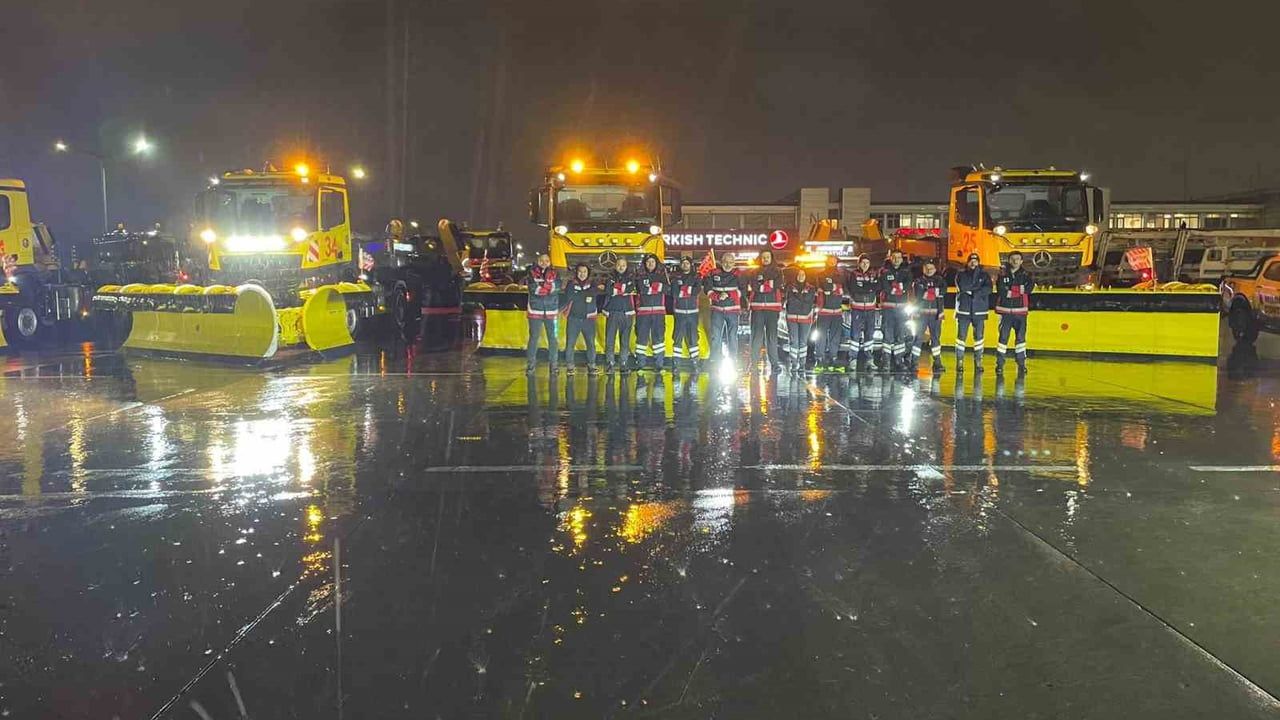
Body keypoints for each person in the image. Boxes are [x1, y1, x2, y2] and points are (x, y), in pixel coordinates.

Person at [995, 251, 1033, 375]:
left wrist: (1010, 291)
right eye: (1013, 259)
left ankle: (1021, 364)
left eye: (1018, 259)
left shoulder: (1026, 275)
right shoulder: (1002, 274)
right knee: (1003, 339)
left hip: (1020, 313)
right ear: (1009, 260)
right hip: (1005, 313)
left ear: (1021, 261)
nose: (1015, 261)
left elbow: (1028, 289)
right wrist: (1017, 290)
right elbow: (1000, 290)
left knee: (1021, 340)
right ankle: (1000, 365)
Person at [746, 248, 784, 373]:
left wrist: (762, 285)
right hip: (757, 308)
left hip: (773, 308)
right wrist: (768, 284)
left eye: (767, 257)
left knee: (772, 337)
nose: (765, 259)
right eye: (763, 257)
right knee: (756, 337)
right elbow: (754, 286)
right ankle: (754, 363)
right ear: (760, 258)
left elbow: (777, 285)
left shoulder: (778, 271)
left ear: (771, 258)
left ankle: (774, 364)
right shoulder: (754, 272)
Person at [524, 253, 563, 374]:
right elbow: (533, 289)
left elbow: (557, 288)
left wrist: (543, 287)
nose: (544, 262)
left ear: (550, 262)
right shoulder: (531, 273)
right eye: (542, 260)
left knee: (553, 339)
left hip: (552, 312)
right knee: (533, 339)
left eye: (547, 260)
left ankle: (554, 366)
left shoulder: (556, 273)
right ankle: (531, 366)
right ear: (538, 261)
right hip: (535, 311)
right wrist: (548, 287)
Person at [954, 252, 992, 373]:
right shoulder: (961, 274)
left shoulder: (985, 275)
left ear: (978, 262)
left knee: (979, 338)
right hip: (964, 310)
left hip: (979, 311)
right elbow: (963, 287)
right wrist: (978, 289)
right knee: (961, 337)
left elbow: (988, 289)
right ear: (967, 261)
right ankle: (959, 362)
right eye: (971, 260)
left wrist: (975, 292)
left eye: (975, 260)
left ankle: (978, 362)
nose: (973, 262)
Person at [562, 262, 602, 374]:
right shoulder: (571, 284)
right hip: (573, 319)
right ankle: (570, 366)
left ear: (588, 273)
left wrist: (580, 294)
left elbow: (594, 293)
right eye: (580, 271)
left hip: (589, 319)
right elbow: (570, 296)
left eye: (584, 272)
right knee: (570, 343)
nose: (582, 274)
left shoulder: (593, 283)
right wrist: (586, 294)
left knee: (590, 343)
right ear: (576, 272)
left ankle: (592, 365)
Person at [704, 252, 742, 369]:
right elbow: (708, 289)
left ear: (734, 263)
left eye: (731, 262)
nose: (728, 264)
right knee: (715, 336)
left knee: (732, 336)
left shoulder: (739, 274)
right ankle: (715, 359)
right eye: (725, 261)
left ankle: (733, 358)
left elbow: (743, 290)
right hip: (717, 310)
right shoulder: (712, 273)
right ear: (721, 261)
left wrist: (729, 295)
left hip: (733, 311)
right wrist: (717, 296)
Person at [911, 258, 947, 373]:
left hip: (936, 315)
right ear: (923, 269)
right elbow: (920, 294)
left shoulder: (940, 280)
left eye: (931, 268)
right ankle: (914, 363)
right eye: (926, 268)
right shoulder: (918, 281)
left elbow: (943, 290)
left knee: (936, 339)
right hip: (921, 315)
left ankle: (937, 362)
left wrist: (929, 292)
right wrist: (934, 292)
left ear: (935, 269)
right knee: (918, 338)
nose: (929, 270)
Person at [602, 257, 637, 373]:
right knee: (610, 340)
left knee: (625, 340)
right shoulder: (610, 277)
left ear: (626, 266)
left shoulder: (631, 277)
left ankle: (623, 363)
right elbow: (608, 290)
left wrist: (616, 289)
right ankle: (609, 363)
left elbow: (631, 288)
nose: (621, 267)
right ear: (615, 266)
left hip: (627, 312)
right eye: (619, 265)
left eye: (623, 265)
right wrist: (623, 289)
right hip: (612, 312)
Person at [844, 254, 879, 372]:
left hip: (870, 309)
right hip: (857, 308)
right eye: (863, 262)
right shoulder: (853, 274)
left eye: (867, 263)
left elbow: (876, 287)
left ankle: (869, 359)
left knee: (870, 334)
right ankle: (853, 359)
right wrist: (868, 288)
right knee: (855, 334)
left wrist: (865, 287)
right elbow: (853, 288)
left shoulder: (874, 274)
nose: (865, 265)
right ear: (859, 263)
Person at [634, 253, 669, 370]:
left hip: (659, 312)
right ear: (644, 263)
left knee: (659, 338)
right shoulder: (640, 276)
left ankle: (659, 364)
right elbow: (642, 289)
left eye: (652, 262)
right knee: (641, 338)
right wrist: (657, 287)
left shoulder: (662, 276)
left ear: (656, 264)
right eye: (648, 262)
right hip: (643, 313)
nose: (650, 264)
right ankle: (640, 363)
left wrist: (651, 287)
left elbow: (668, 289)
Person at [879, 249, 913, 372]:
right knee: (887, 336)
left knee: (900, 336)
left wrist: (895, 287)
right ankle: (886, 361)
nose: (896, 259)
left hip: (902, 309)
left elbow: (908, 285)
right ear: (890, 258)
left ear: (902, 259)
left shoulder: (906, 272)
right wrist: (898, 288)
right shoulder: (884, 271)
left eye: (899, 257)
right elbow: (885, 287)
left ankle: (899, 361)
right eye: (894, 257)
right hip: (888, 308)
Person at [669, 255, 703, 370]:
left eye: (687, 263)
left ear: (690, 265)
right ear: (680, 265)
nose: (685, 265)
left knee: (693, 338)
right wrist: (689, 289)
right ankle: (676, 363)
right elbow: (674, 293)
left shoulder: (696, 278)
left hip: (693, 314)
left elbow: (696, 291)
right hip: (679, 313)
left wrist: (682, 289)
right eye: (683, 263)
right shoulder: (675, 278)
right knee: (677, 338)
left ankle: (695, 362)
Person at [814, 256, 846, 372]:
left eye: (834, 260)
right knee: (821, 336)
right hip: (824, 311)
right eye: (830, 260)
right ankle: (820, 359)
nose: (832, 262)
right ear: (826, 262)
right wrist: (837, 288)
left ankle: (833, 358)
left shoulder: (841, 275)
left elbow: (844, 289)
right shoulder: (821, 275)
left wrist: (833, 288)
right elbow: (826, 286)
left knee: (835, 337)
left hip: (837, 311)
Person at [783, 267, 817, 373]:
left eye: (803, 274)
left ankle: (802, 364)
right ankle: (794, 364)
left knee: (803, 342)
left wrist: (798, 299)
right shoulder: (789, 287)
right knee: (794, 342)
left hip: (806, 318)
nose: (801, 276)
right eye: (799, 274)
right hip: (792, 318)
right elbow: (791, 301)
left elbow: (809, 300)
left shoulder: (811, 288)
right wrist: (801, 299)